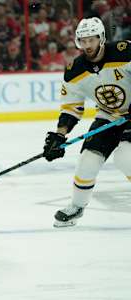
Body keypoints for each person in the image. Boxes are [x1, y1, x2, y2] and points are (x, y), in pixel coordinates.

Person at [43, 17, 131, 227]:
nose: (87, 45)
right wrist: (60, 134)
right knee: (88, 160)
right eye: (83, 41)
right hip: (109, 115)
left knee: (125, 157)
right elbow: (71, 107)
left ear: (101, 38)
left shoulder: (124, 51)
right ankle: (77, 207)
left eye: (91, 40)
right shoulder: (75, 70)